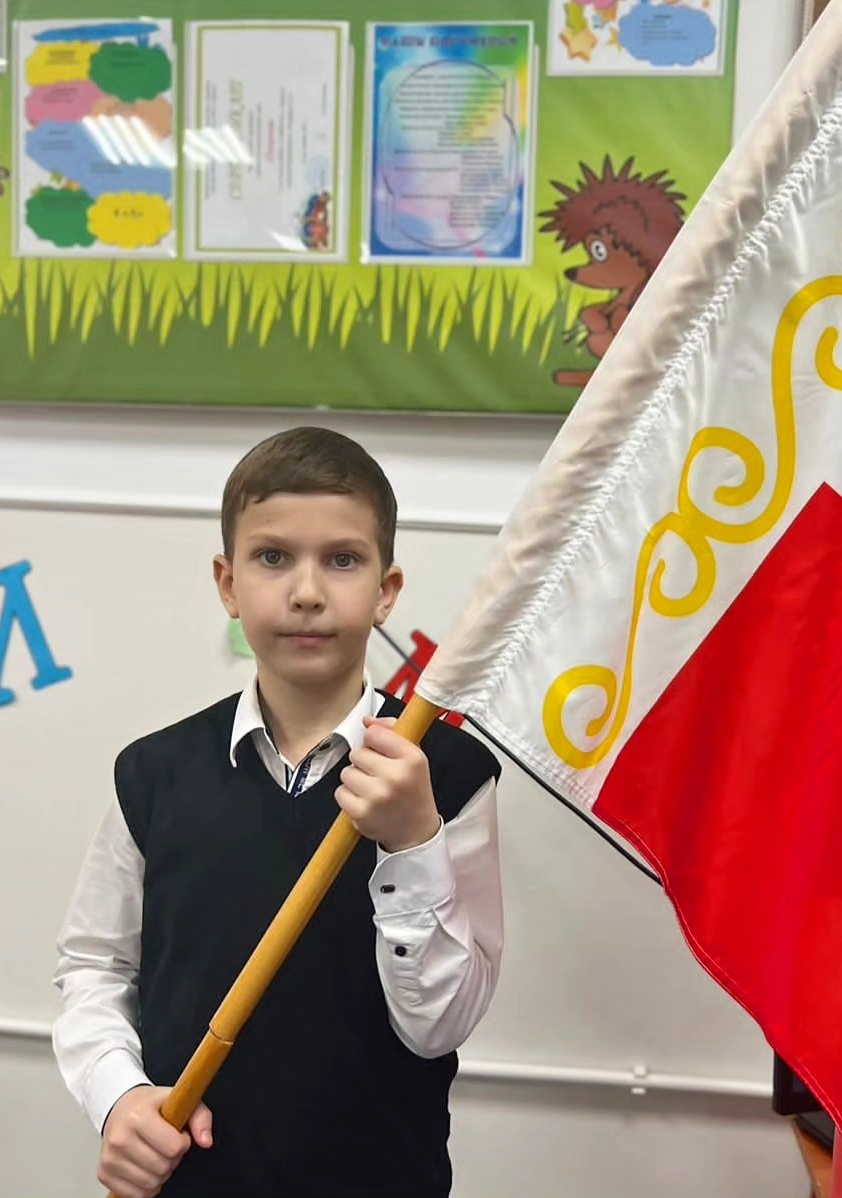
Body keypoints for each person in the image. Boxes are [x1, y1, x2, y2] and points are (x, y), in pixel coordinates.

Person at [52, 426, 503, 1198]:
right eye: (272, 558)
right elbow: (95, 965)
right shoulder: (153, 774)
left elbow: (440, 1025)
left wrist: (412, 842)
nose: (307, 592)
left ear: (387, 589)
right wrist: (118, 1096)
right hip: (195, 1180)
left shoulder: (449, 775)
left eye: (343, 560)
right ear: (227, 583)